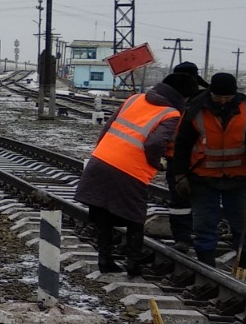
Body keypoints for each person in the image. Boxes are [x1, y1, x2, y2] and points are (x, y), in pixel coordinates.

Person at [75, 74, 189, 276]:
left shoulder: (134, 98)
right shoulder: (170, 114)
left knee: (103, 214)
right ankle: (133, 265)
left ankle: (105, 259)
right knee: (135, 218)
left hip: (101, 159)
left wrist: (103, 152)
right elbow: (154, 144)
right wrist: (157, 163)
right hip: (130, 170)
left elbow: (107, 128)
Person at [173, 72, 246, 278]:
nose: (223, 101)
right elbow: (182, 145)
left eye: (227, 98)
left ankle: (245, 271)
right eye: (218, 97)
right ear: (211, 93)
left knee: (244, 226)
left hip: (239, 177)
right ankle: (208, 271)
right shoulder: (196, 110)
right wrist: (180, 175)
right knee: (205, 225)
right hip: (204, 178)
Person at [162, 63, 204, 254]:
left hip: (189, 159)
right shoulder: (203, 97)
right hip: (189, 158)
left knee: (182, 200)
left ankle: (184, 237)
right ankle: (186, 237)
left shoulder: (167, 98)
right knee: (187, 200)